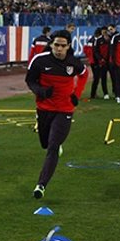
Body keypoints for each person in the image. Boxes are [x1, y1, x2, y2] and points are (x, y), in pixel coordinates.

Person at [25, 29, 88, 199]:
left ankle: (41, 185)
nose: (59, 49)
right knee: (45, 143)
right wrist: (41, 91)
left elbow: (84, 74)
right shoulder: (39, 60)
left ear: (68, 46)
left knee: (52, 147)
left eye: (63, 46)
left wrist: (77, 94)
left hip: (64, 109)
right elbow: (30, 80)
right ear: (51, 45)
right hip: (44, 108)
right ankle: (55, 143)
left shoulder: (74, 62)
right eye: (56, 45)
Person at [93, 27, 111, 99]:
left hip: (110, 61)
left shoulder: (111, 39)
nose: (104, 32)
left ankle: (117, 92)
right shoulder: (98, 40)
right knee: (103, 78)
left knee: (114, 78)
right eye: (103, 31)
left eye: (105, 31)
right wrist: (100, 59)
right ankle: (105, 93)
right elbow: (95, 51)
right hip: (102, 62)